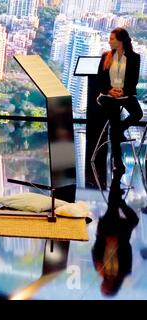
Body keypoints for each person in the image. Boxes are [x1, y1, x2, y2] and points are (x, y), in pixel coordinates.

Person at [97, 28, 143, 173]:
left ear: (120, 41)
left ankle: (121, 129)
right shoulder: (106, 56)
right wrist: (109, 90)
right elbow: (100, 79)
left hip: (125, 95)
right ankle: (118, 161)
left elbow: (133, 80)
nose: (109, 41)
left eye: (112, 39)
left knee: (138, 114)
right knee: (114, 124)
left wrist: (124, 91)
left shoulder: (134, 57)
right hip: (108, 96)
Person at [92, 171, 139, 297]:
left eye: (102, 288)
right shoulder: (124, 271)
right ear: (112, 288)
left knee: (112, 208)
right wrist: (117, 241)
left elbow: (95, 249)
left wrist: (105, 240)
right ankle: (120, 200)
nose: (102, 286)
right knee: (134, 220)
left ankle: (117, 177)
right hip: (121, 235)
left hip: (105, 231)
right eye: (104, 289)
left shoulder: (100, 270)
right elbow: (128, 251)